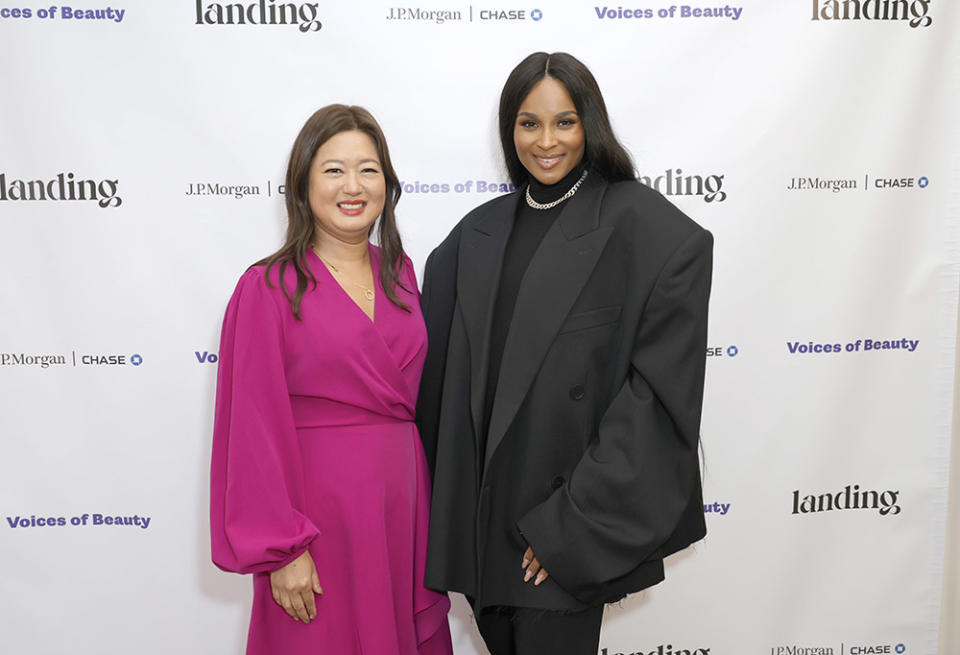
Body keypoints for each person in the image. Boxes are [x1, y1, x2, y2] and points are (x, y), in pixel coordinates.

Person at [416, 52, 713, 655]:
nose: (545, 141)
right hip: (482, 538)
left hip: (562, 531)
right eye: (529, 123)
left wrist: (567, 533)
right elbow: (438, 392)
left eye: (564, 122)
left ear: (590, 126)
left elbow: (655, 404)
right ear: (509, 131)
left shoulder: (651, 232)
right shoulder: (470, 237)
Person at [210, 104, 452, 655]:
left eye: (368, 169)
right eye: (333, 169)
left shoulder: (401, 273)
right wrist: (281, 548)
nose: (353, 185)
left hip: (402, 511)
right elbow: (251, 429)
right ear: (303, 182)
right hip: (318, 521)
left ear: (386, 185)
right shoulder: (268, 286)